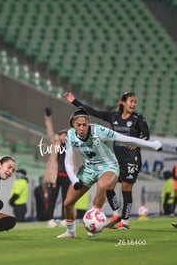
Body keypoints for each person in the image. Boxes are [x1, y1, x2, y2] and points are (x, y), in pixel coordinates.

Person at [57, 107, 162, 238]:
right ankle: (71, 232)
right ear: (73, 124)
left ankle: (93, 222)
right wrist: (74, 180)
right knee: (68, 203)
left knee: (102, 185)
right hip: (89, 169)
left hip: (108, 166)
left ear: (88, 123)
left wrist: (151, 144)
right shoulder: (71, 135)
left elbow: (125, 139)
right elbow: (68, 162)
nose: (82, 128)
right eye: (79, 125)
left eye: (85, 124)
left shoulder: (99, 131)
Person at [65, 91, 150, 230]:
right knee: (109, 187)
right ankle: (116, 214)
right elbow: (92, 112)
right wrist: (74, 101)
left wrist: (138, 143)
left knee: (125, 189)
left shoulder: (138, 118)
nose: (134, 104)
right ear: (122, 102)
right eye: (131, 101)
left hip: (131, 158)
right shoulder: (114, 116)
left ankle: (125, 221)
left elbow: (146, 136)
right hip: (117, 157)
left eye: (135, 102)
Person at [42, 107, 71, 228]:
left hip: (67, 175)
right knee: (52, 198)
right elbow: (49, 132)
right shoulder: (55, 143)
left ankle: (65, 219)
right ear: (59, 136)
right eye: (62, 135)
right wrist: (48, 118)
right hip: (55, 175)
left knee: (66, 199)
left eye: (65, 135)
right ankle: (50, 220)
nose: (64, 137)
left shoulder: (71, 145)